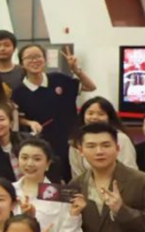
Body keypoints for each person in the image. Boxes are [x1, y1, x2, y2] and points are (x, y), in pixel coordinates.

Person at [12, 43, 96, 182]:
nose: (34, 60)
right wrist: (30, 122)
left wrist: (76, 70)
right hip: (45, 146)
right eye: (29, 58)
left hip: (71, 141)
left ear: (44, 60)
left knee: (78, 180)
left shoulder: (59, 79)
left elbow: (91, 87)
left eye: (38, 56)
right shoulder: (18, 92)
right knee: (52, 184)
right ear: (21, 64)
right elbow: (18, 118)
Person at [13, 138, 84, 232]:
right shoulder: (9, 191)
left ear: (48, 164)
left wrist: (74, 215)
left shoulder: (60, 194)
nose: (29, 163)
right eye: (24, 158)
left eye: (37, 159)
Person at [68, 96, 138, 178]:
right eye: (90, 113)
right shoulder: (76, 141)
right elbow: (77, 175)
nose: (94, 117)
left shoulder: (121, 138)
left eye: (101, 114)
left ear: (109, 117)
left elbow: (130, 169)